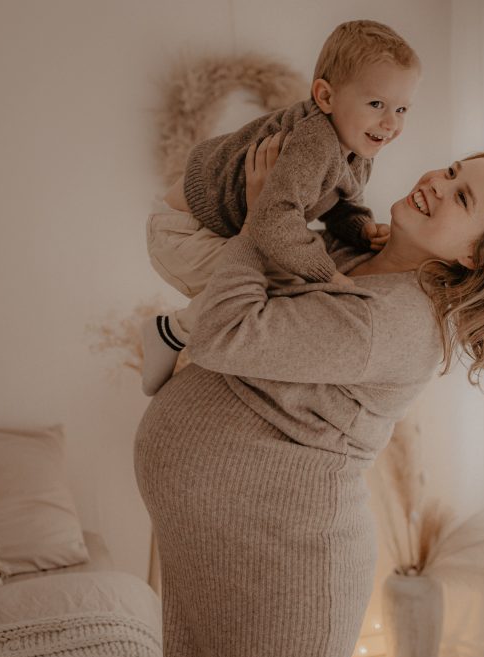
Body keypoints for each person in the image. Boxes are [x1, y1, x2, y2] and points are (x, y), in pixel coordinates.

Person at [134, 138, 484, 657]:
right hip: (219, 547)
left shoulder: (399, 323)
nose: (437, 184)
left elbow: (223, 330)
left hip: (284, 570)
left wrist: (264, 221)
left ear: (475, 257)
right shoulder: (354, 256)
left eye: (462, 197)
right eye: (449, 170)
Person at [139, 19, 422, 395]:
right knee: (284, 285)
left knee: (283, 279)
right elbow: (274, 216)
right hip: (184, 230)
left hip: (213, 225)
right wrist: (324, 273)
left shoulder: (359, 148)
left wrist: (360, 228)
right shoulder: (315, 142)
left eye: (402, 109)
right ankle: (170, 332)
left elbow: (342, 203)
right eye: (376, 104)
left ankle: (184, 335)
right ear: (325, 97)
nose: (390, 123)